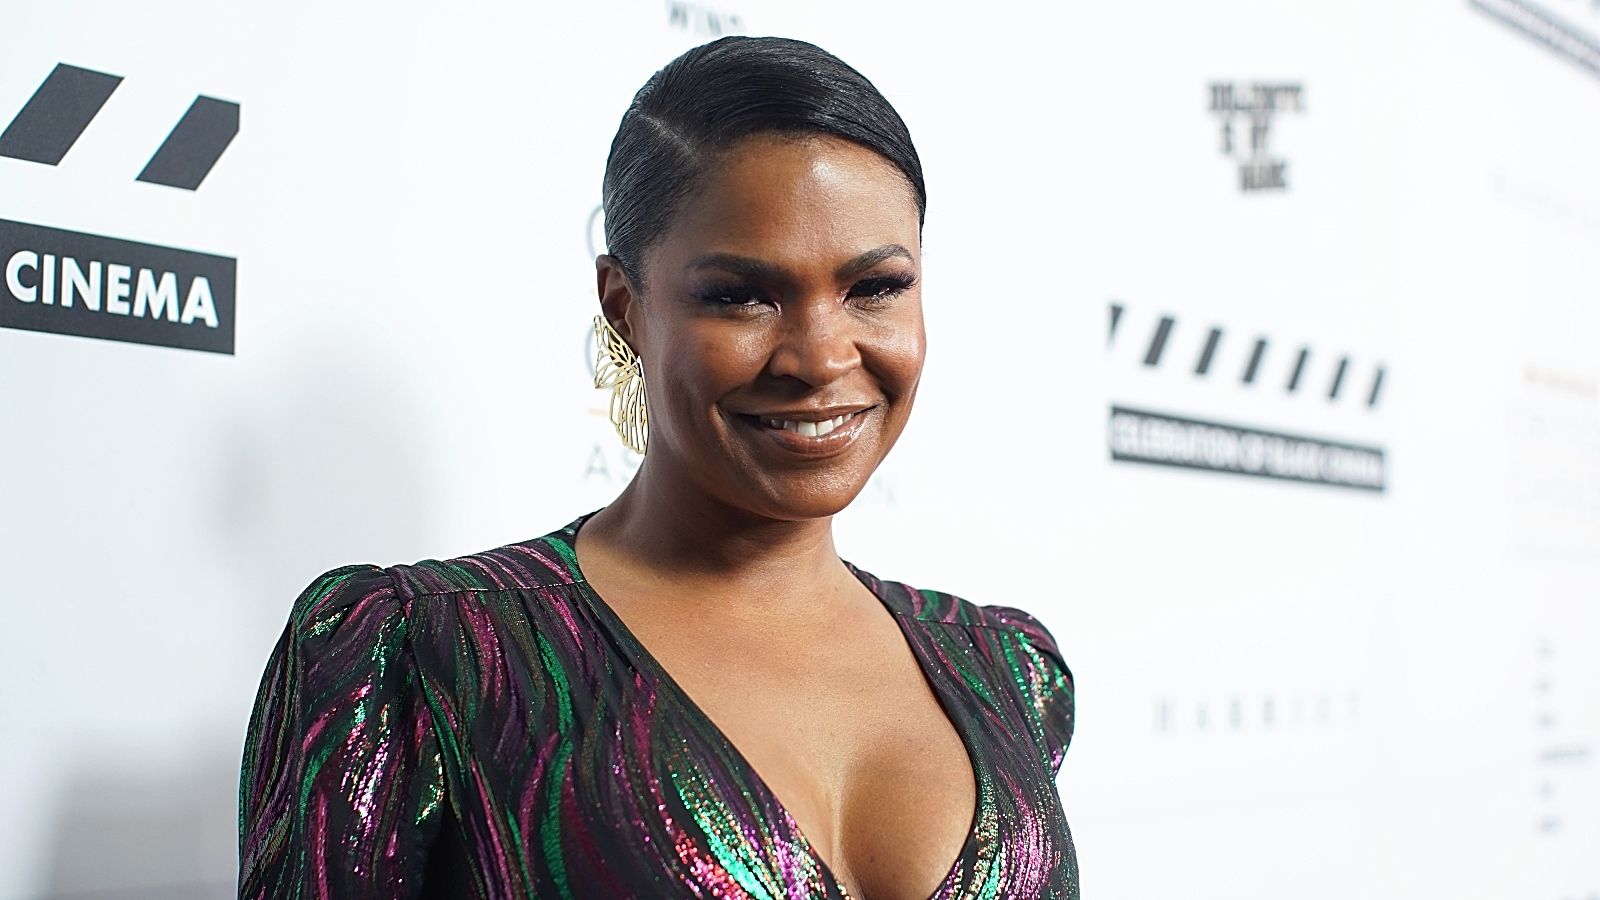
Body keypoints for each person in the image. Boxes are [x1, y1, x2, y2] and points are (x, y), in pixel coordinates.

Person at [238, 34, 1077, 900]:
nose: (821, 356)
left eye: (876, 288)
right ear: (624, 308)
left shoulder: (1003, 670)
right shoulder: (426, 657)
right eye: (740, 296)